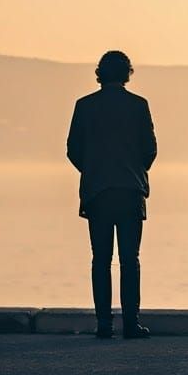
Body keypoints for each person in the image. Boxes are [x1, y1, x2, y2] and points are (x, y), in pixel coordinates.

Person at [66, 50, 157, 339]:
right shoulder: (139, 106)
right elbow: (150, 149)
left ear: (99, 73)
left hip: (98, 192)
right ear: (127, 73)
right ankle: (131, 323)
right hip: (130, 190)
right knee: (130, 259)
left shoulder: (84, 106)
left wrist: (93, 170)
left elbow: (73, 149)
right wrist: (135, 171)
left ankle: (104, 324)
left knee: (101, 259)